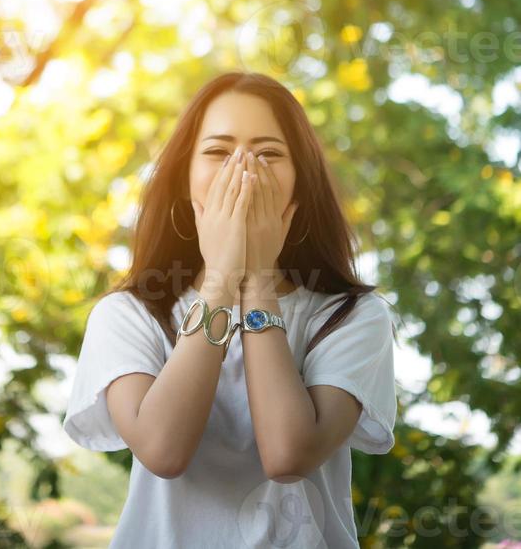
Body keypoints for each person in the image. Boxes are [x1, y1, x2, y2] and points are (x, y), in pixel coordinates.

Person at [63, 70, 398, 547]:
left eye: (268, 154)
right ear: (184, 180)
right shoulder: (129, 313)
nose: (242, 172)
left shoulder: (351, 316)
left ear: (300, 185)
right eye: (218, 152)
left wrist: (258, 280)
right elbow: (163, 449)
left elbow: (287, 456)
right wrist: (220, 280)